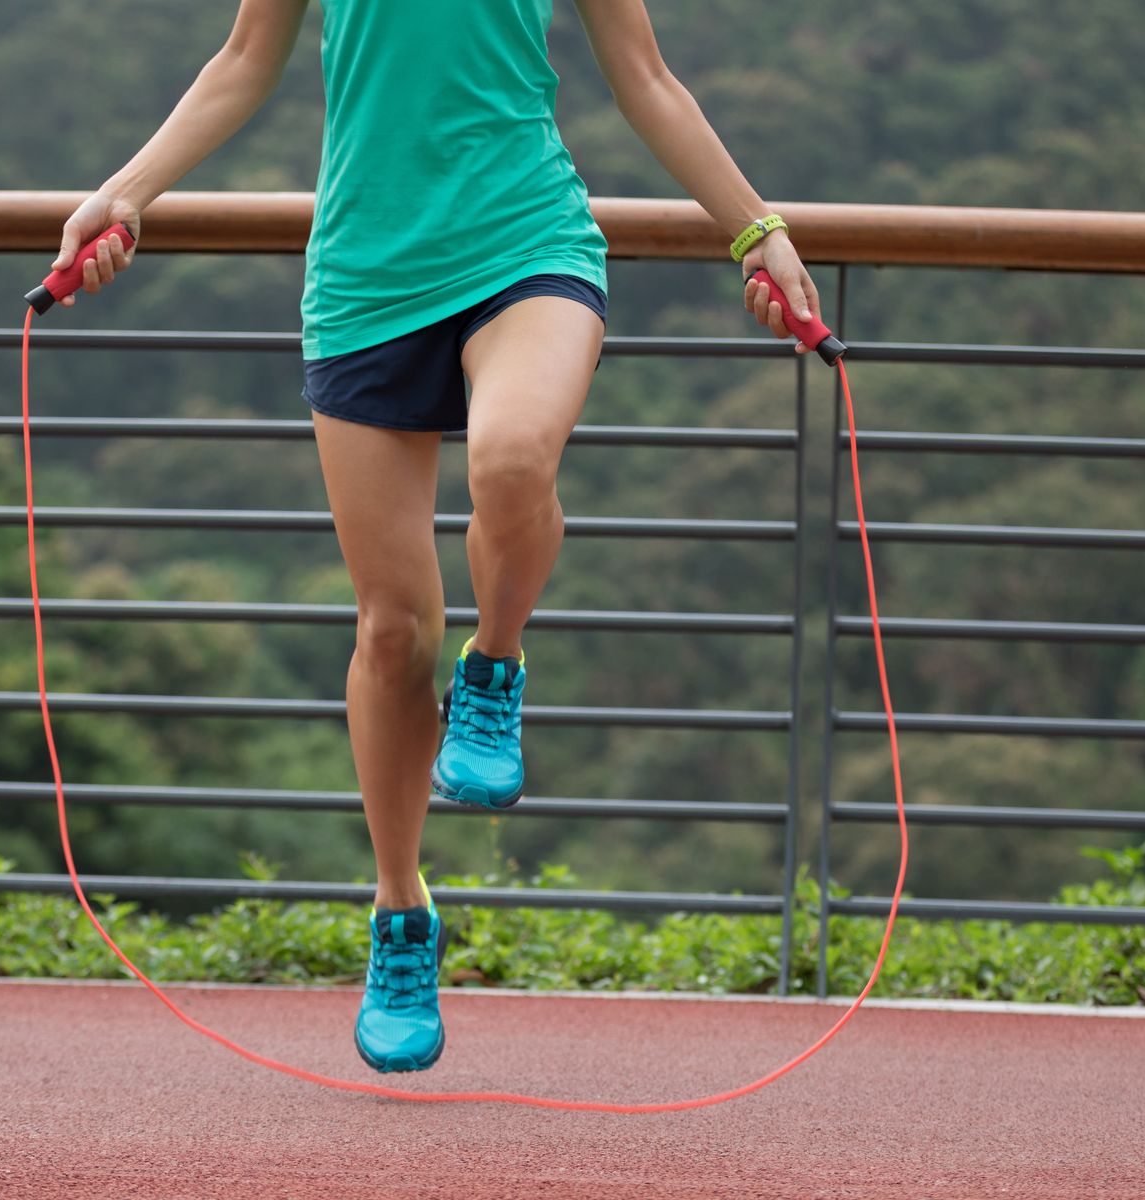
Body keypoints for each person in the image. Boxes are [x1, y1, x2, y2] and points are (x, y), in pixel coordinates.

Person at [49, 0, 822, 1074]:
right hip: (366, 278)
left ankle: (495, 665)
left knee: (510, 459)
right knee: (391, 631)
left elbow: (646, 78)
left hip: (526, 242)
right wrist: (127, 192)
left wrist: (756, 229)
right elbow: (243, 61)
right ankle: (400, 907)